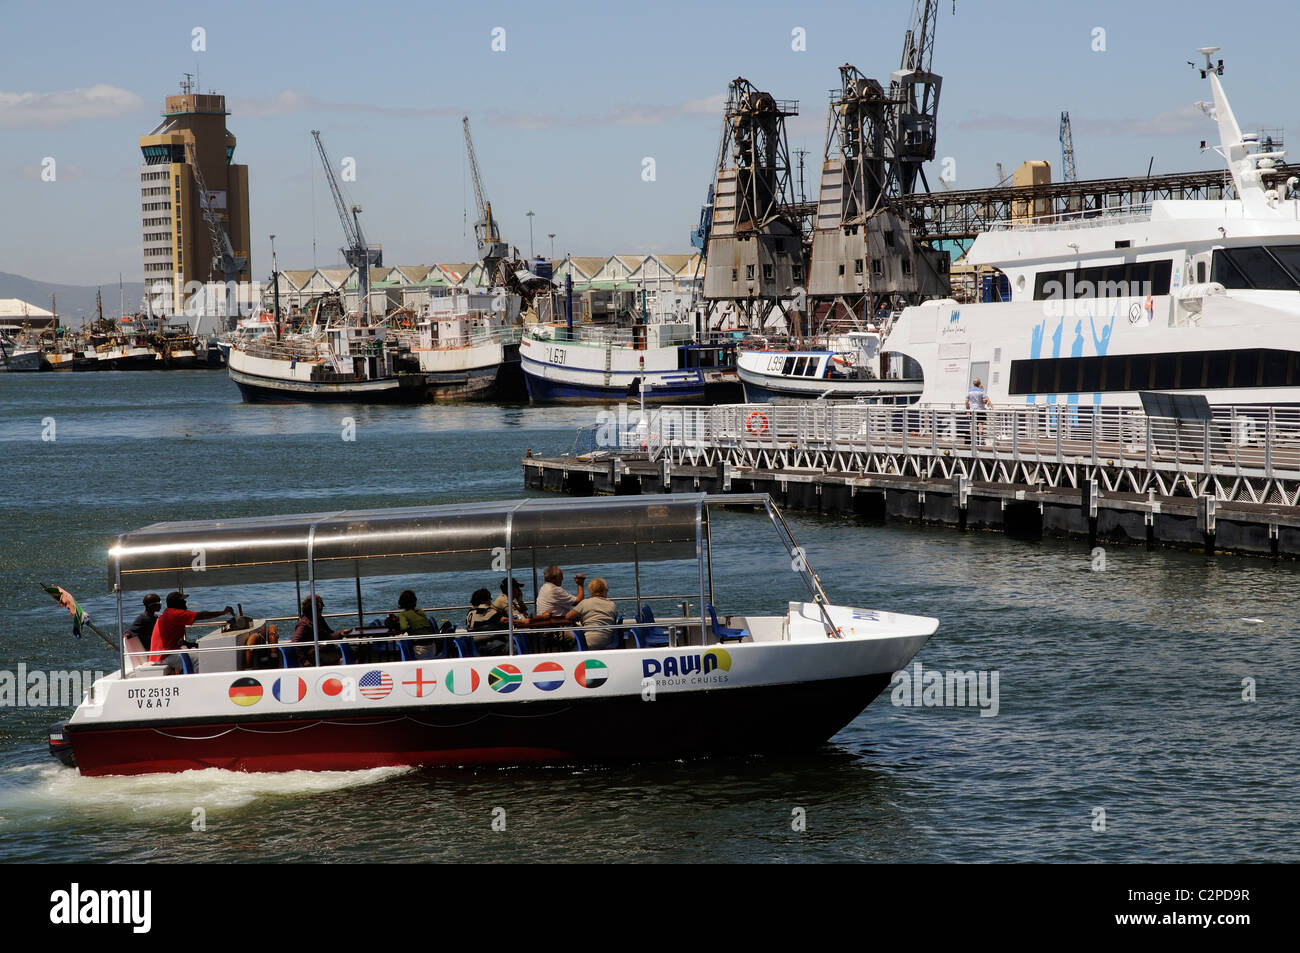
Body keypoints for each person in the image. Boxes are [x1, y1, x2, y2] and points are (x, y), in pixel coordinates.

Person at [150, 591, 233, 671]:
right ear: (177, 603)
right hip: (163, 656)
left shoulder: (168, 613)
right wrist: (223, 612)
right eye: (182, 600)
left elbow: (174, 640)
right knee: (201, 660)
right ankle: (201, 682)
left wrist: (192, 644)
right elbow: (202, 615)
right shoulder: (175, 614)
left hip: (162, 654)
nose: (185, 601)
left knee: (197, 653)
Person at [563, 578, 619, 650]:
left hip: (589, 641)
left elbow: (568, 616)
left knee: (570, 646)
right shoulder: (612, 604)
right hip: (608, 641)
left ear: (591, 590)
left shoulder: (585, 603)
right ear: (604, 590)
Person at [292, 595, 341, 666]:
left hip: (325, 649)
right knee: (342, 658)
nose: (320, 613)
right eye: (319, 610)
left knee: (351, 652)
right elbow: (294, 642)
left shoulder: (320, 620)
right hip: (314, 654)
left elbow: (329, 635)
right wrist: (304, 660)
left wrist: (341, 634)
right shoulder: (304, 624)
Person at [394, 589, 437, 658]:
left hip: (420, 649)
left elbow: (404, 628)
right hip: (432, 647)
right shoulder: (421, 612)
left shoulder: (403, 614)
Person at [465, 588, 508, 655]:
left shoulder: (471, 611)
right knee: (513, 647)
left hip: (475, 642)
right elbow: (504, 620)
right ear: (484, 600)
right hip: (485, 644)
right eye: (489, 598)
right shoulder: (483, 610)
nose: (491, 599)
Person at [126, 593, 161, 660]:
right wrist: (128, 634)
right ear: (152, 606)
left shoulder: (155, 617)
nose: (160, 605)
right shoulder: (142, 619)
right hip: (150, 653)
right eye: (158, 603)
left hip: (156, 649)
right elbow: (130, 632)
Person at [967, 377, 993, 445]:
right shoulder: (981, 391)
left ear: (973, 384)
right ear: (979, 383)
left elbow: (966, 401)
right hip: (980, 410)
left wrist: (967, 410)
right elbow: (984, 401)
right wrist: (985, 403)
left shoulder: (969, 391)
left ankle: (972, 440)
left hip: (972, 410)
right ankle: (980, 440)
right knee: (980, 425)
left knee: (971, 425)